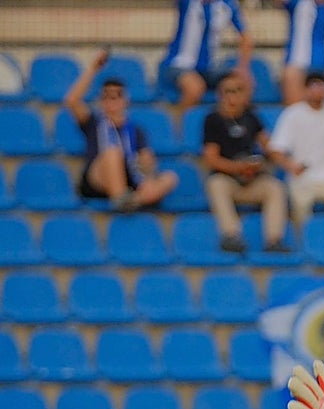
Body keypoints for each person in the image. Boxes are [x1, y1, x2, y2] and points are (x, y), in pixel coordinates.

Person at [63, 51, 179, 212]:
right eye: (107, 96)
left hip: (129, 180)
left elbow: (146, 162)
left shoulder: (135, 130)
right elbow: (71, 100)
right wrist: (93, 69)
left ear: (125, 100)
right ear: (101, 100)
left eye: (117, 96)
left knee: (170, 178)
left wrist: (148, 168)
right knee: (112, 153)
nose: (112, 101)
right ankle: (121, 200)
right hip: (98, 177)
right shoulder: (94, 122)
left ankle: (133, 201)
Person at [202, 71, 290, 254]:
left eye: (237, 91)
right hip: (228, 180)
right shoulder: (213, 120)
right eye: (228, 91)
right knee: (215, 185)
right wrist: (238, 167)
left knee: (275, 188)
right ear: (220, 95)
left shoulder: (251, 116)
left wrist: (284, 163)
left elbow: (268, 145)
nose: (232, 96)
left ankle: (274, 239)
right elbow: (211, 159)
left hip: (252, 180)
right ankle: (231, 235)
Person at [268, 71, 324, 226]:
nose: (319, 90)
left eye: (323, 86)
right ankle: (305, 240)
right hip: (305, 177)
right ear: (305, 90)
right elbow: (276, 150)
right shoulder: (293, 114)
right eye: (314, 86)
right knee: (300, 200)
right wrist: (290, 165)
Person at [161, 0, 253, 110]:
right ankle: (178, 123)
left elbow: (246, 37)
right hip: (179, 64)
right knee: (195, 88)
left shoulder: (228, 4)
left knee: (244, 83)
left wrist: (243, 67)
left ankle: (231, 124)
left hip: (209, 68)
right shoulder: (188, 3)